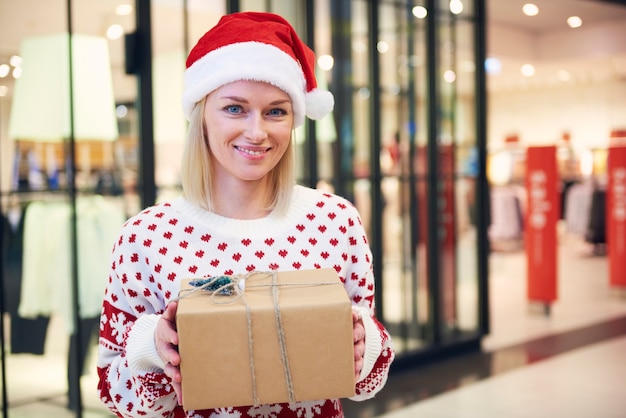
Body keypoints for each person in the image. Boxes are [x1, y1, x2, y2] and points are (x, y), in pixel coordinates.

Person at [97, 11, 394, 417]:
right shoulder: (146, 236)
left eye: (276, 111)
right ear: (201, 115)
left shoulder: (335, 220)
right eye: (235, 109)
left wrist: (366, 343)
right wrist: (153, 347)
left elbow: (362, 378)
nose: (257, 133)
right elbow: (112, 390)